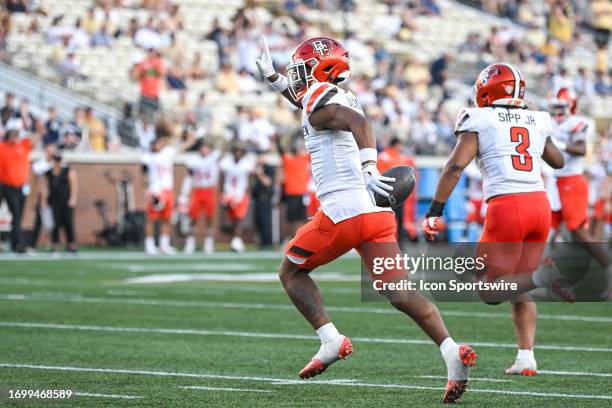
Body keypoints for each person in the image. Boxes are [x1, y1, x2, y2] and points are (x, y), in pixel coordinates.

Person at [257, 36, 476, 403]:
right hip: (376, 214)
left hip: (343, 212)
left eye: (302, 69)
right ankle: (452, 352)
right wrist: (274, 80)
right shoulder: (330, 96)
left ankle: (331, 340)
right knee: (399, 291)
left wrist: (370, 164)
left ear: (323, 70)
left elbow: (357, 122)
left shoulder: (323, 100)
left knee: (290, 271)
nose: (295, 76)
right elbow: (313, 105)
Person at [422, 63, 570, 377]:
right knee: (518, 286)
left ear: (487, 90)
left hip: (508, 206)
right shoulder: (537, 118)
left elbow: (454, 168)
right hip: (539, 205)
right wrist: (531, 136)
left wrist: (434, 210)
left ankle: (544, 277)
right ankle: (526, 357)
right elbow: (557, 161)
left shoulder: (481, 117)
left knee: (489, 290)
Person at [547, 87, 611, 298]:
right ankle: (540, 280)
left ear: (571, 105)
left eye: (560, 107)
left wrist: (559, 143)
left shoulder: (578, 123)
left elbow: (581, 150)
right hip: (554, 182)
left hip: (572, 181)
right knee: (545, 231)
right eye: (554, 107)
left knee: (578, 231)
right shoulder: (550, 122)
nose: (556, 112)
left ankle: (609, 270)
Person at [141, 123, 196, 255]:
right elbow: (143, 175)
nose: (161, 144)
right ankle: (149, 244)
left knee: (166, 218)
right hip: (155, 190)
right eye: (158, 143)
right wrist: (149, 190)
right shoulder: (148, 156)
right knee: (151, 218)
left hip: (167, 190)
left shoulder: (167, 153)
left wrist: (191, 138)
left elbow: (184, 146)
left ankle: (164, 244)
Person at [181, 141, 221, 255]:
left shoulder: (213, 157)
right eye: (203, 148)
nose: (204, 150)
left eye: (207, 148)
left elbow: (221, 151)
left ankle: (208, 242)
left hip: (209, 189)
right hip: (197, 189)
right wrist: (185, 192)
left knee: (210, 217)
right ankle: (190, 242)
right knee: (193, 217)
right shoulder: (194, 160)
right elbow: (189, 175)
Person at [0, 118, 33, 253]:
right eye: (13, 134)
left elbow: (35, 137)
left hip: (20, 187)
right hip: (5, 185)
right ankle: (17, 244)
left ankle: (16, 244)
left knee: (18, 216)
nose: (15, 137)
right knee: (15, 213)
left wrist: (26, 121)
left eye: (17, 134)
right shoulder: (2, 147)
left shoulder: (23, 145)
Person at [219, 144, 255, 253]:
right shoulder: (226, 162)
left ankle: (237, 241)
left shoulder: (247, 163)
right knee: (230, 220)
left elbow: (250, 178)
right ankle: (236, 240)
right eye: (236, 150)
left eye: (240, 150)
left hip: (241, 194)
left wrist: (248, 192)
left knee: (239, 218)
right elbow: (222, 177)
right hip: (229, 194)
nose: (238, 152)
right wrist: (222, 192)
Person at [276, 136, 310, 242]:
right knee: (290, 218)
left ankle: (299, 238)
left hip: (302, 193)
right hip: (290, 193)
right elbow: (281, 152)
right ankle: (290, 238)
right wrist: (277, 140)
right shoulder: (288, 159)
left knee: (301, 218)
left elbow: (313, 149)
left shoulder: (304, 158)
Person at [43, 150, 78, 252]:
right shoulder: (49, 173)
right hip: (54, 201)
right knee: (55, 223)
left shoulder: (67, 171)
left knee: (68, 222)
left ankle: (71, 244)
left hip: (66, 200)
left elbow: (73, 185)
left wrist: (73, 198)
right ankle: (55, 244)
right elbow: (45, 187)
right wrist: (44, 201)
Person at [252, 151, 276, 248]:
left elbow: (268, 182)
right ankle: (261, 242)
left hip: (265, 198)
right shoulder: (255, 167)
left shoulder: (268, 168)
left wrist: (260, 174)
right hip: (257, 198)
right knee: (258, 221)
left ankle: (268, 243)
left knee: (265, 221)